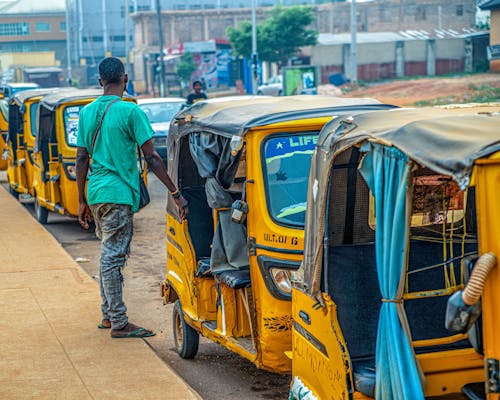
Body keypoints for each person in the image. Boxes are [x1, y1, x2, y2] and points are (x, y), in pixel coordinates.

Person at [75, 57, 188, 339]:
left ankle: (107, 314)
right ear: (124, 79)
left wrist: (81, 201)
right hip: (118, 194)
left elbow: (81, 158)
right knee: (113, 258)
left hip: (96, 193)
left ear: (100, 81)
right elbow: (152, 156)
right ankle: (118, 321)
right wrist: (175, 193)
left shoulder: (87, 113)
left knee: (107, 253)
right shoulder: (130, 112)